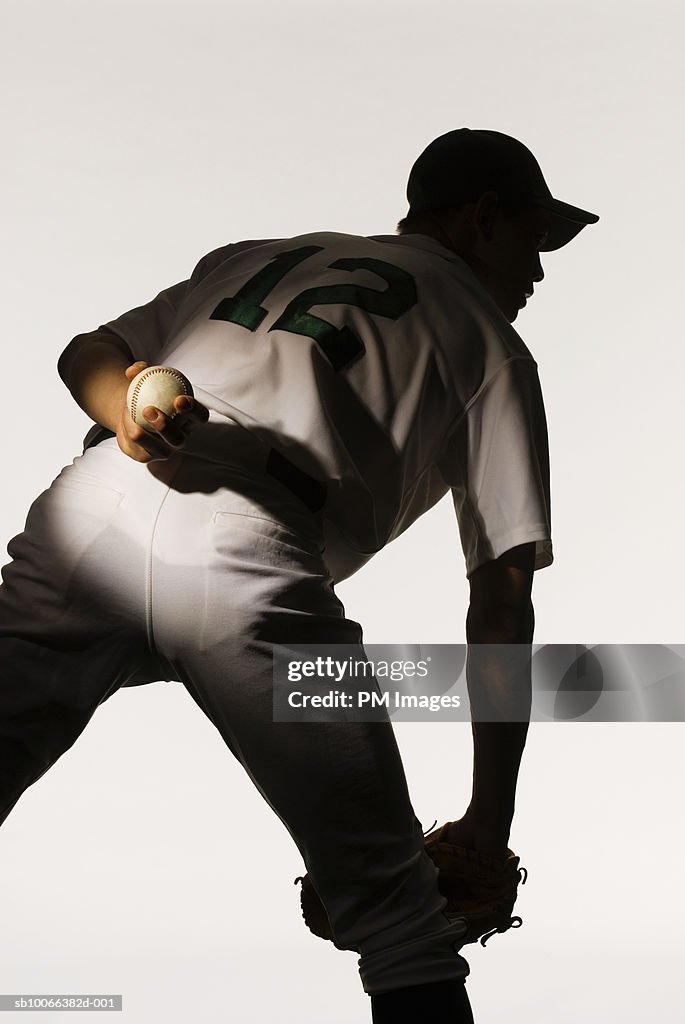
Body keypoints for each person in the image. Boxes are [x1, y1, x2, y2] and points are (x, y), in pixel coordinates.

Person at [0, 128, 597, 1022]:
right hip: (245, 551)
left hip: (89, 512)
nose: (539, 272)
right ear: (481, 218)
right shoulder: (487, 338)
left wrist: (124, 403)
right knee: (401, 922)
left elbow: (85, 350)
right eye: (532, 240)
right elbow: (501, 600)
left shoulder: (259, 255)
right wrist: (488, 818)